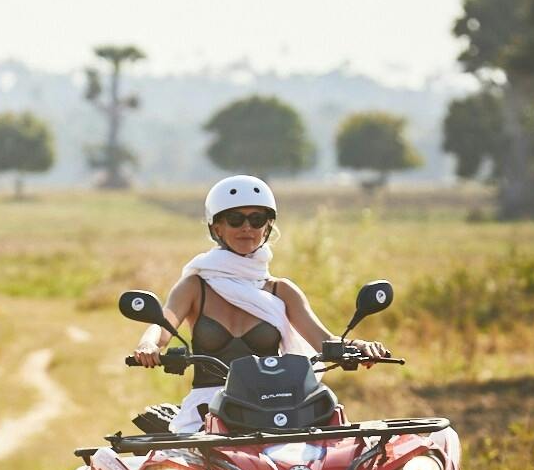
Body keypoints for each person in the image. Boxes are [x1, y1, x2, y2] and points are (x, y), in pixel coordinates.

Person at [132, 175, 390, 434]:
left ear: (267, 227)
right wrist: (148, 345)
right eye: (235, 219)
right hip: (208, 409)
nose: (247, 227)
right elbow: (162, 326)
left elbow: (325, 341)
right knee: (178, 459)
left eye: (257, 219)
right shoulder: (195, 286)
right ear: (217, 228)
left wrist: (359, 346)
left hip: (275, 407)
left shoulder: (282, 291)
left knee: (332, 444)